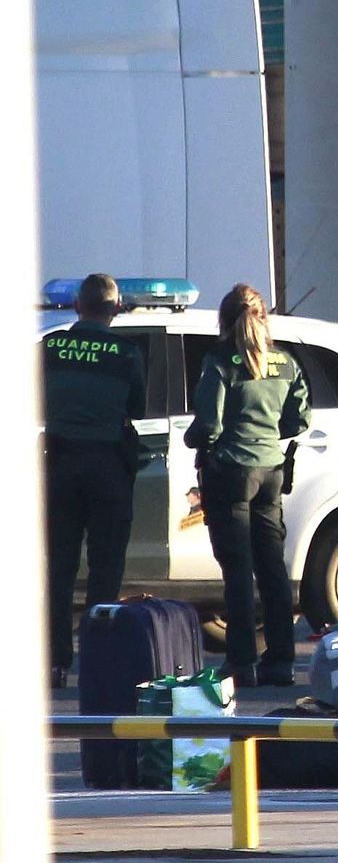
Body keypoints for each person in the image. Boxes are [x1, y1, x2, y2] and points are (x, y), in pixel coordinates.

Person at [185, 284, 311, 688]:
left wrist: (196, 441)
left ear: (223, 320)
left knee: (237, 571)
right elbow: (300, 420)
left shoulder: (221, 361)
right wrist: (269, 433)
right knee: (272, 568)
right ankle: (281, 661)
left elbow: (209, 425)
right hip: (272, 470)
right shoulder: (285, 362)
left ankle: (241, 663)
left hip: (230, 472)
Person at [42, 274, 146, 688]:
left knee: (59, 567)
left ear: (77, 306)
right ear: (114, 309)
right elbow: (137, 406)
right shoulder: (125, 352)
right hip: (107, 466)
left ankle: (55, 663)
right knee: (106, 568)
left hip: (60, 463)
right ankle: (97, 662)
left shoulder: (49, 348)